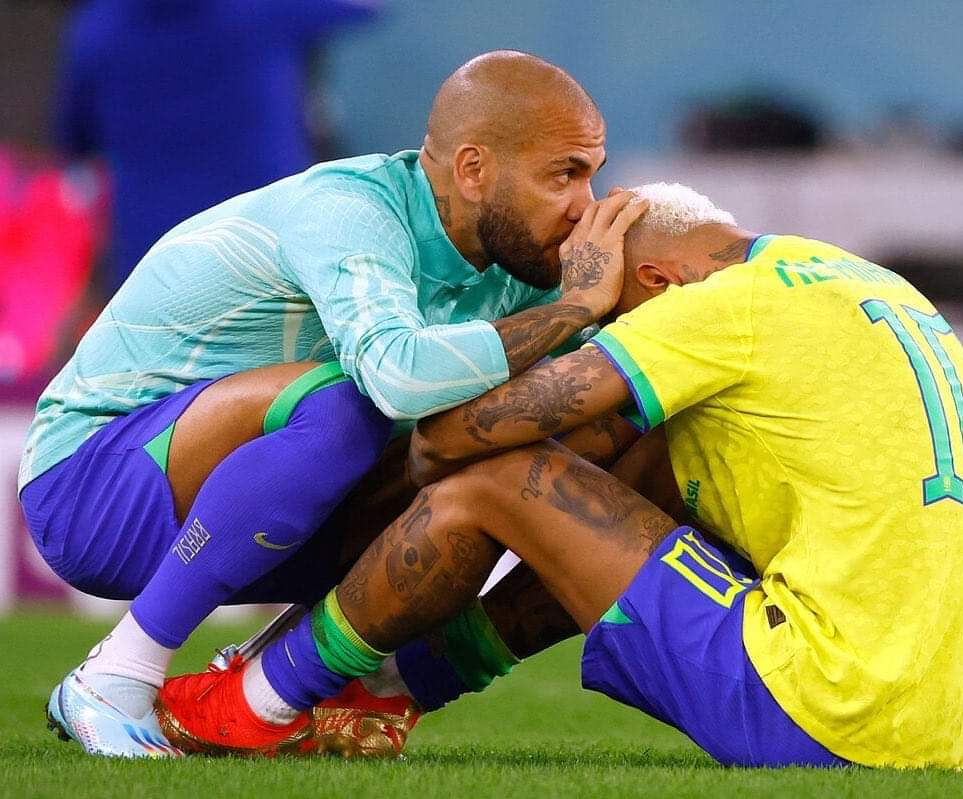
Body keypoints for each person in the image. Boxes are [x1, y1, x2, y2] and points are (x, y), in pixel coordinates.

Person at [156, 183, 963, 769]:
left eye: (614, 316)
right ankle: (391, 689)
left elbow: (447, 443)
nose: (602, 335)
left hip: (828, 706)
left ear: (655, 281)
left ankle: (257, 698)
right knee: (634, 465)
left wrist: (574, 305)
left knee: (503, 476)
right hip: (954, 720)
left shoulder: (715, 306)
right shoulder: (854, 278)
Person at [25, 50, 642, 759]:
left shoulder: (517, 259)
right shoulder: (349, 209)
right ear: (473, 170)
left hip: (233, 501)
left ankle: (254, 685)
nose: (584, 203)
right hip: (91, 486)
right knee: (348, 402)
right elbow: (396, 377)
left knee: (504, 461)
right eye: (564, 174)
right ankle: (114, 678)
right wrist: (573, 309)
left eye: (592, 173)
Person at [54, 0, 382, 299]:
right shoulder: (266, 7)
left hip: (154, 268)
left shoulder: (98, 29)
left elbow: (75, 141)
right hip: (270, 255)